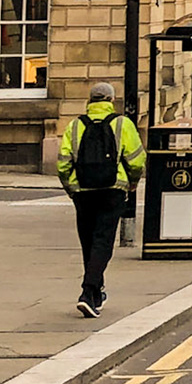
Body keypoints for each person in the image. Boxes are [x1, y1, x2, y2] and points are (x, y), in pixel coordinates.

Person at [56, 82, 145, 318]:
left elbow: (63, 163)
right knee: (103, 242)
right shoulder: (122, 124)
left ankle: (96, 294)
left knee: (88, 241)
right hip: (112, 189)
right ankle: (87, 292)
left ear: (90, 100)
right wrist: (133, 182)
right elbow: (136, 159)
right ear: (111, 100)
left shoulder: (75, 126)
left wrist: (71, 189)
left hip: (83, 191)